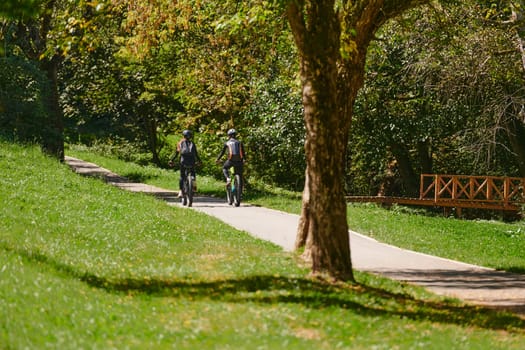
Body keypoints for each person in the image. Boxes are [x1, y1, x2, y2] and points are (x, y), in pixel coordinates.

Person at [169, 129, 201, 196]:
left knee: (182, 176)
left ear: (183, 135)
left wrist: (171, 160)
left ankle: (180, 191)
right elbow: (196, 154)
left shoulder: (180, 143)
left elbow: (176, 153)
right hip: (192, 161)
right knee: (193, 174)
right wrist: (199, 161)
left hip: (183, 161)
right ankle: (194, 188)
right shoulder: (192, 143)